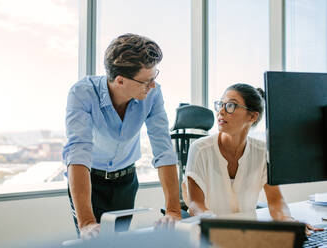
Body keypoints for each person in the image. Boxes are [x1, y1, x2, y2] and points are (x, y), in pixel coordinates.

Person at [62, 33, 181, 239]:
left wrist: (173, 210)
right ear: (120, 80)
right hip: (89, 181)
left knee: (119, 241)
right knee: (92, 240)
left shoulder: (152, 94)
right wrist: (87, 223)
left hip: (126, 182)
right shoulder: (82, 93)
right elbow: (78, 152)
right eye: (146, 81)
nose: (152, 86)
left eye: (154, 78)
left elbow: (163, 149)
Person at [182, 83, 324, 235]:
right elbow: (196, 204)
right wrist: (217, 226)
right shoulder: (200, 149)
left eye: (231, 106)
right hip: (209, 236)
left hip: (247, 236)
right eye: (221, 104)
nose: (221, 111)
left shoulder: (263, 152)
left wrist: (288, 221)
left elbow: (276, 200)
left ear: (252, 116)